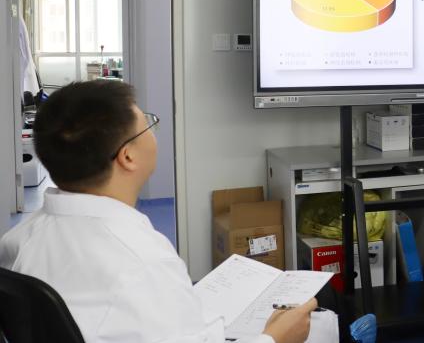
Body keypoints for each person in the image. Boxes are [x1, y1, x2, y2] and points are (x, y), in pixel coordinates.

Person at [0, 81, 315, 343]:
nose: (154, 132)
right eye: (148, 124)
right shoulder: (141, 261)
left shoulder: (18, 240)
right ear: (127, 157)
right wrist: (275, 338)